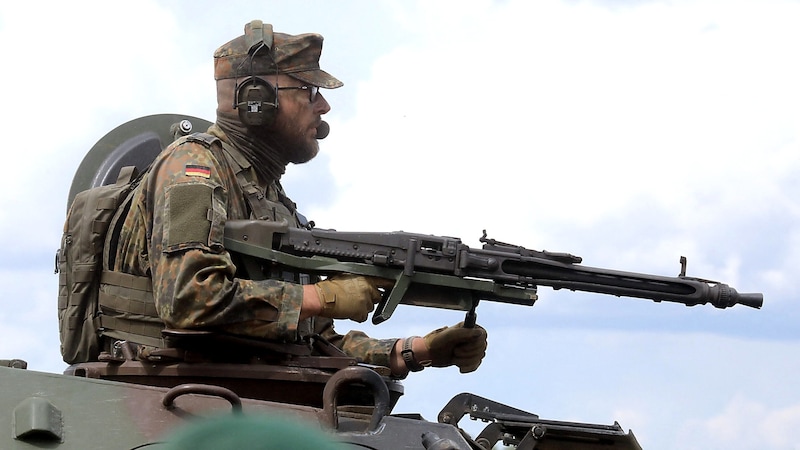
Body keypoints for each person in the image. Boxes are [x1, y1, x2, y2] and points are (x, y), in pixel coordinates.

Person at [103, 20, 487, 378]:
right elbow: (189, 299)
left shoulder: (271, 199)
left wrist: (418, 350)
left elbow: (313, 340)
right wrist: (321, 296)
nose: (323, 108)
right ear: (257, 99)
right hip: (170, 392)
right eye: (309, 91)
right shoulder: (193, 168)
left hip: (235, 391)